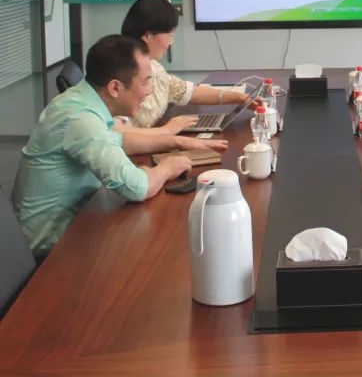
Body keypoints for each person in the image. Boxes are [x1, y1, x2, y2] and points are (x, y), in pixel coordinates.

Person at [12, 36, 225, 258]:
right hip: (51, 252)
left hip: (78, 225)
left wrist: (175, 142)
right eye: (145, 82)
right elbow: (137, 188)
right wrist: (167, 168)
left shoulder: (81, 100)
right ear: (115, 88)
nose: (149, 91)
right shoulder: (80, 118)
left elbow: (119, 141)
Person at [120, 0, 256, 130]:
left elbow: (188, 92)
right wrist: (168, 132)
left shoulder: (155, 67)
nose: (171, 42)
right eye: (170, 34)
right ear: (147, 36)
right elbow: (118, 133)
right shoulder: (120, 72)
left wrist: (239, 98)